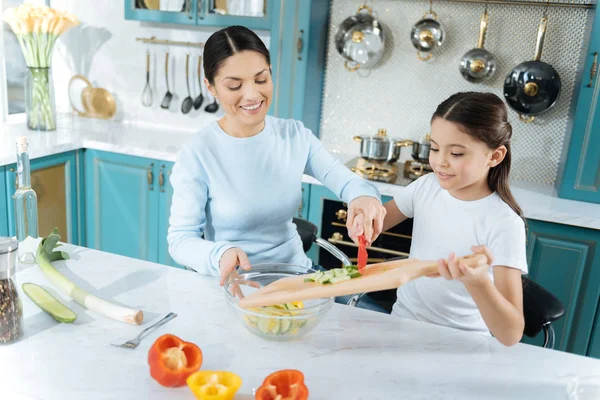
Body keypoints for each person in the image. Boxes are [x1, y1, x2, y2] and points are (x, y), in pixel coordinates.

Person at [167, 26, 386, 287]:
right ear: (211, 87)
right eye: (234, 85)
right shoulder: (198, 153)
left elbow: (350, 183)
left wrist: (364, 198)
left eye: (261, 80)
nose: (252, 95)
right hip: (240, 287)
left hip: (298, 277)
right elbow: (180, 239)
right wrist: (219, 253)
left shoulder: (294, 136)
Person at [381, 92, 527, 346]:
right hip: (401, 327)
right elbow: (377, 222)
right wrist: (364, 211)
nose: (439, 162)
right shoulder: (427, 186)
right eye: (434, 148)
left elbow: (511, 334)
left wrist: (479, 282)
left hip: (459, 345)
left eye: (457, 154)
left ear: (494, 156)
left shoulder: (504, 223)